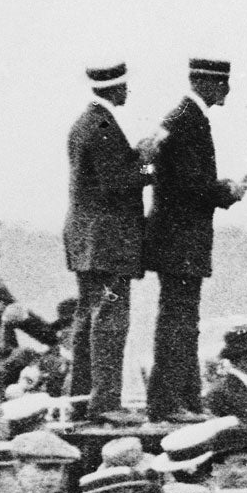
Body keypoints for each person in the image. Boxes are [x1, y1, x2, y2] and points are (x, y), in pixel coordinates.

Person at [143, 57, 247, 421]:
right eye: (223, 83)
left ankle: (184, 401)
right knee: (178, 321)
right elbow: (189, 186)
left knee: (183, 320)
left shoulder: (182, 118)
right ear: (208, 84)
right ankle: (169, 403)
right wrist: (227, 191)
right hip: (180, 240)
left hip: (176, 238)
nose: (228, 91)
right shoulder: (189, 121)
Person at [64, 61, 145, 423]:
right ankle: (106, 403)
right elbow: (120, 182)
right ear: (117, 88)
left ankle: (81, 398)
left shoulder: (84, 124)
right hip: (108, 242)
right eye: (125, 86)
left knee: (87, 319)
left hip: (86, 239)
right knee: (111, 320)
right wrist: (149, 162)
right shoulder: (104, 127)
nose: (128, 92)